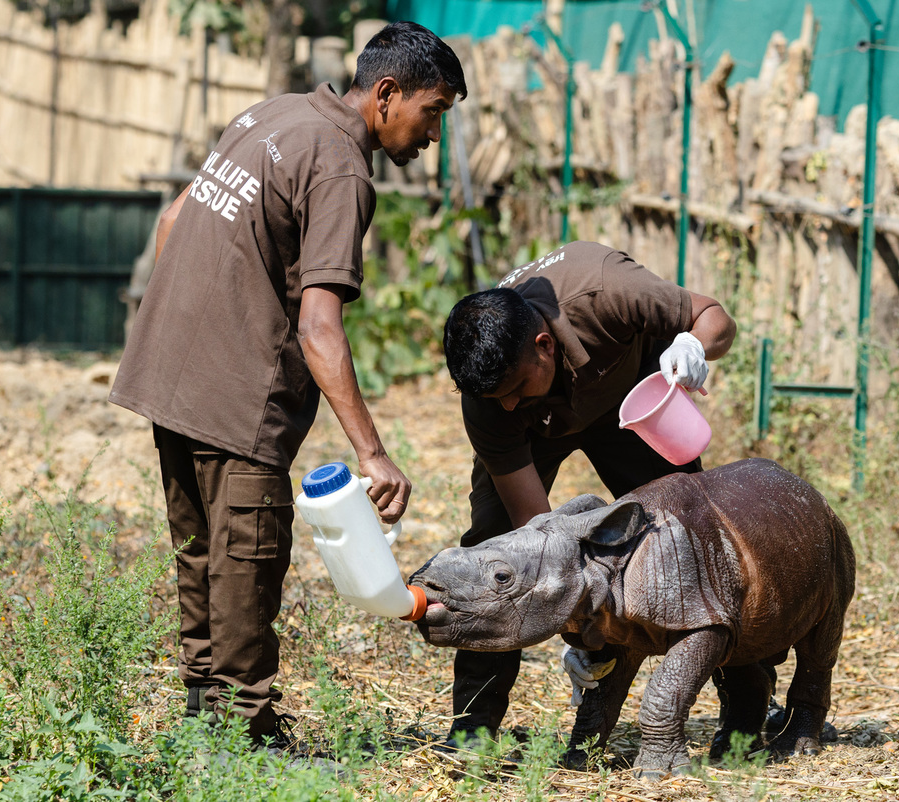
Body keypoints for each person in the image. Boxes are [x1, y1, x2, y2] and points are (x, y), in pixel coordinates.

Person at [109, 22, 466, 753]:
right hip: (237, 400)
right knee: (247, 565)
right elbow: (320, 330)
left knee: (203, 556)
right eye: (433, 111)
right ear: (387, 94)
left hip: (166, 376)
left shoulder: (273, 114)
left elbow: (175, 220)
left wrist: (184, 332)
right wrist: (374, 454)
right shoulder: (341, 167)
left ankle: (203, 724)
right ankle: (245, 738)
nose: (434, 134)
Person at [439, 240, 737, 749]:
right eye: (495, 398)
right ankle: (474, 726)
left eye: (513, 386)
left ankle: (747, 704)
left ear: (544, 344)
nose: (506, 403)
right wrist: (579, 626)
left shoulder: (606, 288)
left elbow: (715, 317)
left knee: (691, 539)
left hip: (631, 402)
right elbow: (540, 543)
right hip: (539, 432)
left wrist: (692, 346)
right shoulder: (491, 402)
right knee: (497, 552)